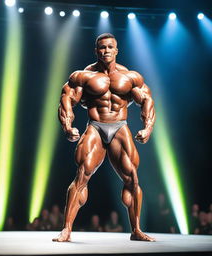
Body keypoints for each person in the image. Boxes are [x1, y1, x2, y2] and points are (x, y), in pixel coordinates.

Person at [53, 33, 156, 242]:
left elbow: (147, 100)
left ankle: (136, 230)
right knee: (83, 173)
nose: (106, 51)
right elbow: (66, 100)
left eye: (110, 47)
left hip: (119, 127)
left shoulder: (130, 77)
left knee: (132, 178)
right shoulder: (84, 76)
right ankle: (67, 229)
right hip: (96, 127)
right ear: (96, 51)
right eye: (102, 48)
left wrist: (147, 128)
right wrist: (67, 126)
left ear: (116, 50)